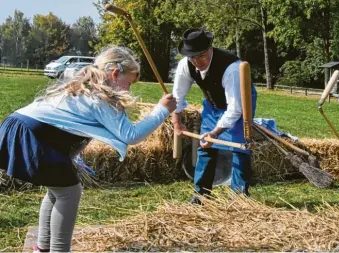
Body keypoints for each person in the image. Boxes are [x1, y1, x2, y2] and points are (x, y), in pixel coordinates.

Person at [0, 46, 176, 252]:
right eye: (128, 83)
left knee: (57, 191)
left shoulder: (87, 88)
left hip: (19, 126)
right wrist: (162, 110)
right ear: (115, 73)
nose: (128, 89)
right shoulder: (100, 97)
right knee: (69, 193)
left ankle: (43, 247)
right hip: (32, 134)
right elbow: (131, 135)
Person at [172, 28, 257, 203]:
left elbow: (235, 109)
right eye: (192, 57)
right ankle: (201, 195)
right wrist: (177, 123)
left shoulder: (232, 68)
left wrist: (216, 132)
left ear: (210, 48)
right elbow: (177, 97)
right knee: (205, 145)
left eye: (201, 55)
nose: (197, 61)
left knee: (239, 147)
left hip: (241, 103)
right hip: (212, 104)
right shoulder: (185, 65)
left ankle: (239, 197)